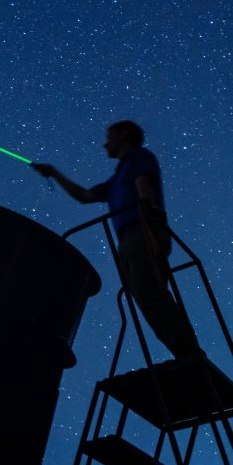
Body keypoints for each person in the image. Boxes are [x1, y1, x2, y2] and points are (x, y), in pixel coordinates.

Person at [32, 121, 202, 360]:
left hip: (141, 229)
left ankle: (188, 351)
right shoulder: (116, 179)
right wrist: (54, 173)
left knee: (147, 288)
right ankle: (181, 350)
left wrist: (151, 217)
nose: (104, 144)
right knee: (142, 292)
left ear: (123, 135)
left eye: (109, 137)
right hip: (127, 238)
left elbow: (144, 186)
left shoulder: (138, 157)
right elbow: (84, 196)